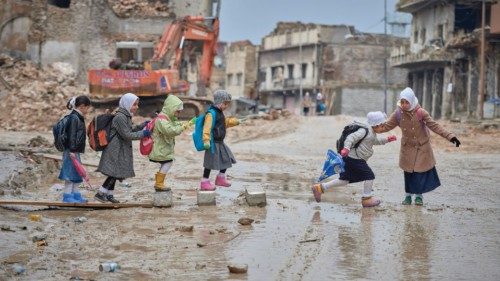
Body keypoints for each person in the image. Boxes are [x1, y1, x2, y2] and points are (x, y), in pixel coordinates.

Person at [378, 87, 461, 205]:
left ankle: (419, 196)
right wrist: (372, 128)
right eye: (402, 102)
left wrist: (451, 137)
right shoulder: (398, 113)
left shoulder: (420, 112)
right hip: (407, 148)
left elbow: (435, 126)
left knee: (419, 173)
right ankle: (407, 196)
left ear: (411, 101)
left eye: (407, 102)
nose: (404, 104)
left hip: (421, 147)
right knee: (408, 173)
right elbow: (386, 126)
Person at [311, 111, 397, 207]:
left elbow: (374, 141)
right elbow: (351, 138)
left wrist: (387, 140)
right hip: (354, 158)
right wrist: (346, 148)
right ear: (375, 125)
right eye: (382, 126)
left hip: (352, 158)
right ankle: (366, 199)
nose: (383, 128)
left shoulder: (372, 132)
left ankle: (320, 187)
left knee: (345, 179)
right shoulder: (365, 131)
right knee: (369, 175)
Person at [95, 93, 151, 203]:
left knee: (116, 172)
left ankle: (109, 195)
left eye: (137, 104)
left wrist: (141, 126)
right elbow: (127, 134)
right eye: (134, 104)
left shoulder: (125, 115)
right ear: (127, 104)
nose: (136, 107)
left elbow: (130, 130)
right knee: (114, 172)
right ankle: (100, 193)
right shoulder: (120, 117)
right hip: (115, 149)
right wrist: (143, 133)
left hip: (120, 149)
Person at [148, 95, 195, 191]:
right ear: (171, 108)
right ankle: (159, 184)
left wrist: (187, 122)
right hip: (159, 148)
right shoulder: (161, 120)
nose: (178, 114)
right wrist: (187, 125)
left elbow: (175, 124)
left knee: (166, 162)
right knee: (168, 162)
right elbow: (172, 131)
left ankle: (159, 183)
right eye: (177, 111)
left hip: (162, 147)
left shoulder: (167, 117)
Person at [200, 89, 241, 191]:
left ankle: (220, 178)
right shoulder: (211, 113)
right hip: (212, 143)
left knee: (227, 158)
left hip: (220, 142)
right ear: (219, 102)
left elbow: (224, 123)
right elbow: (207, 127)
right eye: (225, 103)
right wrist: (206, 140)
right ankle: (204, 182)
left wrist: (235, 122)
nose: (226, 106)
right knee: (209, 164)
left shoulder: (220, 113)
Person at [58, 95, 92, 203]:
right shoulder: (74, 118)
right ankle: (67, 196)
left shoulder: (78, 117)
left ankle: (76, 195)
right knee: (70, 173)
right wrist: (72, 150)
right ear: (82, 106)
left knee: (77, 172)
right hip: (71, 150)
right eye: (87, 107)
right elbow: (72, 135)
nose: (87, 110)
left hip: (74, 150)